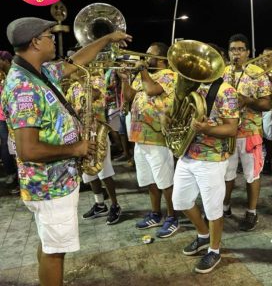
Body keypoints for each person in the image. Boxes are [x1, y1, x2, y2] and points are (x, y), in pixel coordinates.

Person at [1, 17, 132, 286]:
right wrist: (77, 147)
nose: (53, 39)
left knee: (49, 244)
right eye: (49, 35)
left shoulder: (39, 71)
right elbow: (28, 149)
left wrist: (107, 39)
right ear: (36, 42)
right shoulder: (24, 87)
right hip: (51, 186)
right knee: (55, 252)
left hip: (58, 181)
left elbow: (75, 63)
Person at [172, 69, 239, 273]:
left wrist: (205, 129)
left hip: (212, 158)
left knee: (213, 210)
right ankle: (203, 235)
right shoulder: (194, 86)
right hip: (188, 154)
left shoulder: (226, 91)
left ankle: (214, 250)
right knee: (180, 201)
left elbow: (231, 129)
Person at [121, 42, 179, 238]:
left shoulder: (169, 75)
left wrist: (143, 71)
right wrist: (124, 79)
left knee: (165, 180)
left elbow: (152, 90)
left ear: (161, 59)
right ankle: (156, 213)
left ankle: (173, 217)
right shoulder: (143, 75)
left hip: (157, 137)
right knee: (149, 180)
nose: (145, 58)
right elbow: (130, 96)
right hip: (139, 136)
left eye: (149, 55)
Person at [223, 34, 272, 229]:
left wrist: (248, 100)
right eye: (233, 49)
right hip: (227, 132)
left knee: (252, 174)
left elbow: (267, 104)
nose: (236, 53)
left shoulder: (257, 72)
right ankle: (225, 206)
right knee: (226, 174)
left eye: (240, 49)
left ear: (248, 52)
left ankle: (251, 212)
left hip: (250, 132)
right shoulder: (223, 72)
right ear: (228, 52)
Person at [66, 71, 122, 225]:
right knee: (88, 173)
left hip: (97, 131)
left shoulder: (97, 80)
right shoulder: (73, 87)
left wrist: (80, 79)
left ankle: (115, 205)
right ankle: (100, 204)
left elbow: (97, 95)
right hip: (81, 134)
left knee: (105, 172)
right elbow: (68, 106)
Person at [0, 51, 18, 192]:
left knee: (13, 148)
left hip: (11, 117)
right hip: (6, 117)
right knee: (11, 148)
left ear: (6, 60)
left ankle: (18, 178)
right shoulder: (5, 75)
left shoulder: (13, 74)